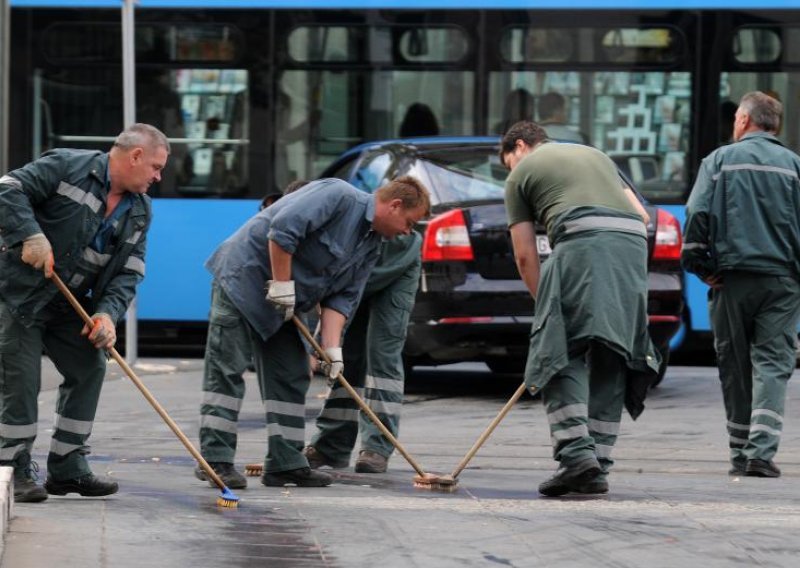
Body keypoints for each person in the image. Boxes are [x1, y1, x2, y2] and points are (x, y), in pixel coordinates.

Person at [202, 176, 430, 488]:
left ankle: (285, 463)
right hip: (244, 281)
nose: (408, 231)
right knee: (227, 368)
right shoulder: (338, 195)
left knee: (291, 373)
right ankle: (215, 460)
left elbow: (342, 297)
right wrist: (282, 284)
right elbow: (282, 232)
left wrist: (331, 350)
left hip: (288, 301)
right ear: (394, 205)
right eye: (409, 222)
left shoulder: (372, 243)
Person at [0, 123, 170, 503]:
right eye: (156, 167)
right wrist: (29, 235)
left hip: (66, 301)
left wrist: (108, 315)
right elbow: (7, 188)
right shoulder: (67, 167)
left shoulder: (140, 211)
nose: (158, 177)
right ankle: (13, 466)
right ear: (136, 156)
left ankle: (67, 467)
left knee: (90, 366)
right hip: (19, 295)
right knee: (21, 380)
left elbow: (129, 271)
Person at [500, 120, 658, 497]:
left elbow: (524, 255)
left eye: (509, 161)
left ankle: (575, 456)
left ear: (519, 146)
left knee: (557, 349)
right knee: (612, 350)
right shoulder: (596, 155)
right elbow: (643, 216)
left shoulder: (520, 174)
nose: (511, 169)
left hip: (584, 243)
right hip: (632, 249)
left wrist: (546, 310)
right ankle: (597, 466)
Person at [682, 91, 800, 479]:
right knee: (772, 363)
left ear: (746, 121)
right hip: (781, 281)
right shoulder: (794, 166)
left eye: (736, 117)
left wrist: (699, 264)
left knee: (735, 366)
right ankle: (761, 453)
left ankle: (739, 451)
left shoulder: (718, 161)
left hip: (730, 281)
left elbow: (697, 212)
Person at [304, 230, 422, 474]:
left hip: (393, 271)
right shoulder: (319, 228)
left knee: (382, 355)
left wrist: (317, 344)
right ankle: (330, 445)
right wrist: (325, 347)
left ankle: (377, 446)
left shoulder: (400, 238)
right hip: (354, 273)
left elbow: (330, 292)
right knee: (346, 358)